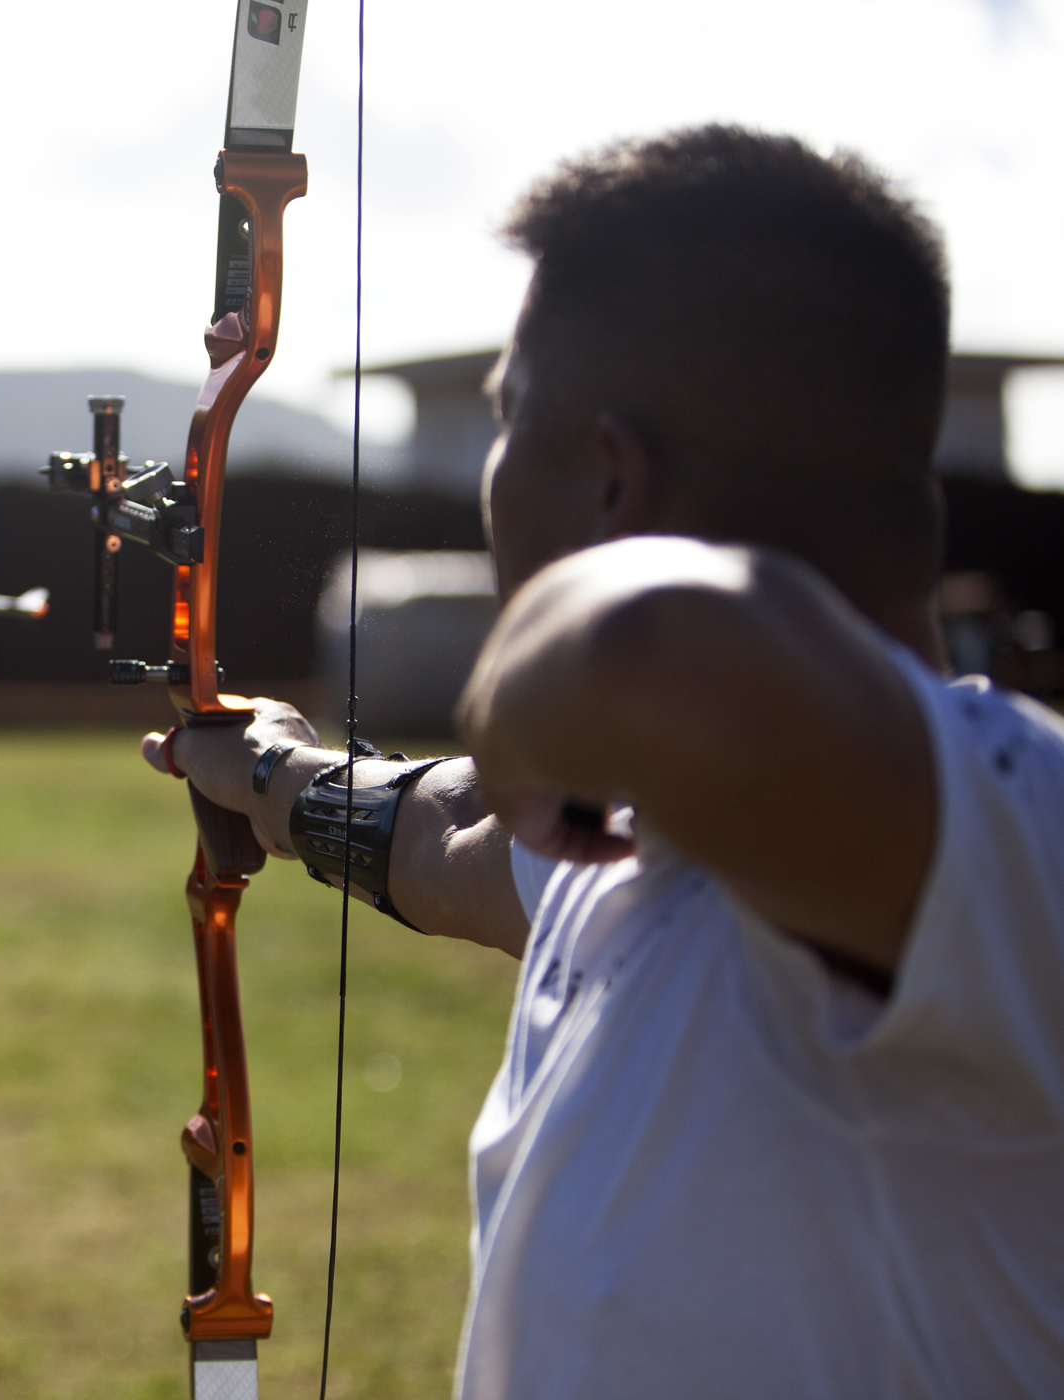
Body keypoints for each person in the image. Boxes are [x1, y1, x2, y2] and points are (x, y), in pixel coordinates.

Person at [148, 125, 1064, 1398]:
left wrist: (526, 681)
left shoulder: (1005, 827)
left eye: (511, 420)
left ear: (610, 480)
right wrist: (263, 769)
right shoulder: (657, 817)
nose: (491, 473)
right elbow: (446, 835)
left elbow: (641, 646)